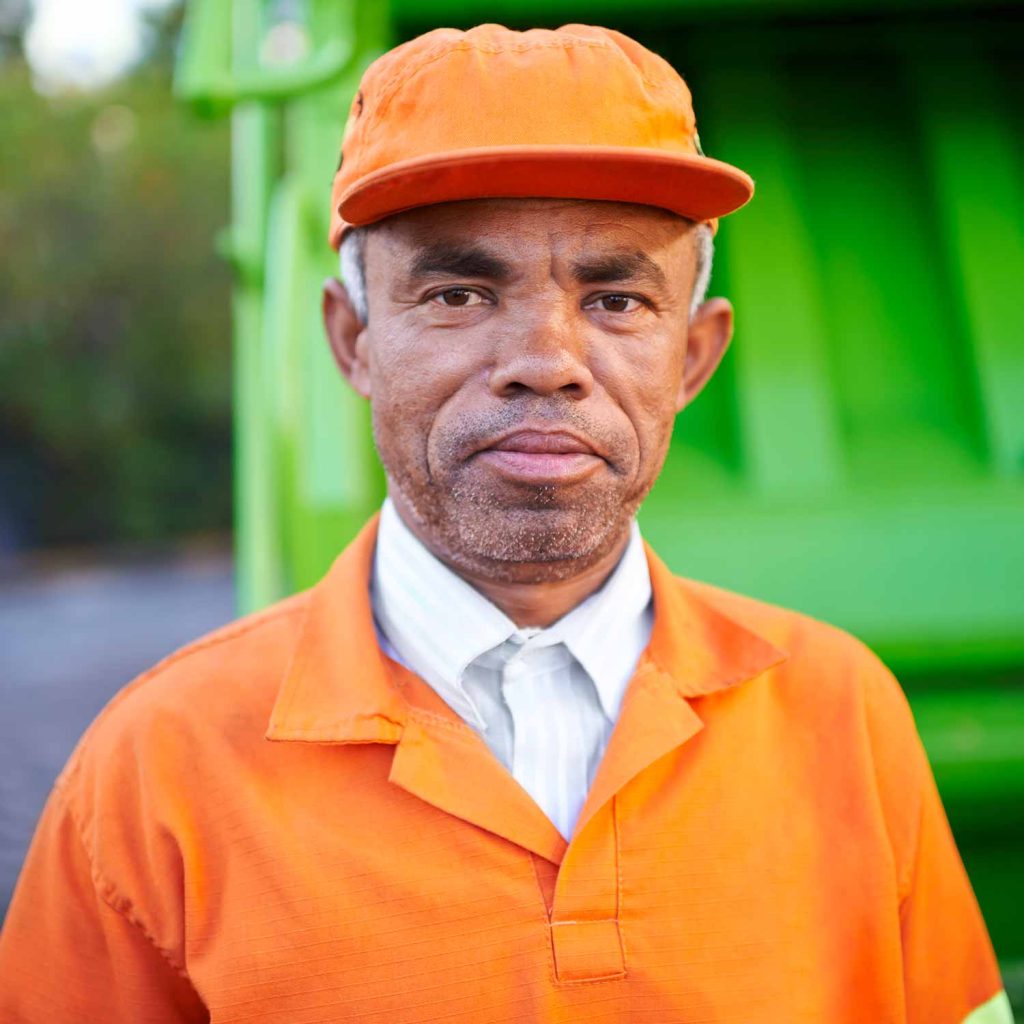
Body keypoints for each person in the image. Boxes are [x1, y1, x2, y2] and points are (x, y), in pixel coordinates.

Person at [0, 23, 1012, 1024]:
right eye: (457, 292)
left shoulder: (842, 713)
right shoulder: (158, 768)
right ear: (351, 341)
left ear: (695, 357)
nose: (545, 356)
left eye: (616, 300)